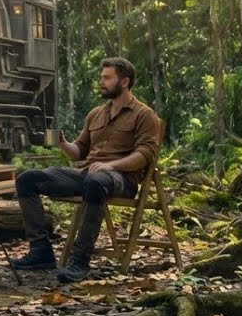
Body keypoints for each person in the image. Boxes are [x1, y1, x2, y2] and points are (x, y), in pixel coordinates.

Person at [9, 57, 162, 283]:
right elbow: (79, 152)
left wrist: (110, 165)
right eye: (101, 77)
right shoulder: (96, 113)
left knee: (96, 181)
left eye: (107, 78)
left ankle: (80, 261)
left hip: (122, 179)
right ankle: (40, 251)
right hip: (88, 174)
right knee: (27, 179)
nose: (101, 81)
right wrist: (63, 143)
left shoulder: (144, 114)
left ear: (125, 82)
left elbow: (145, 156)